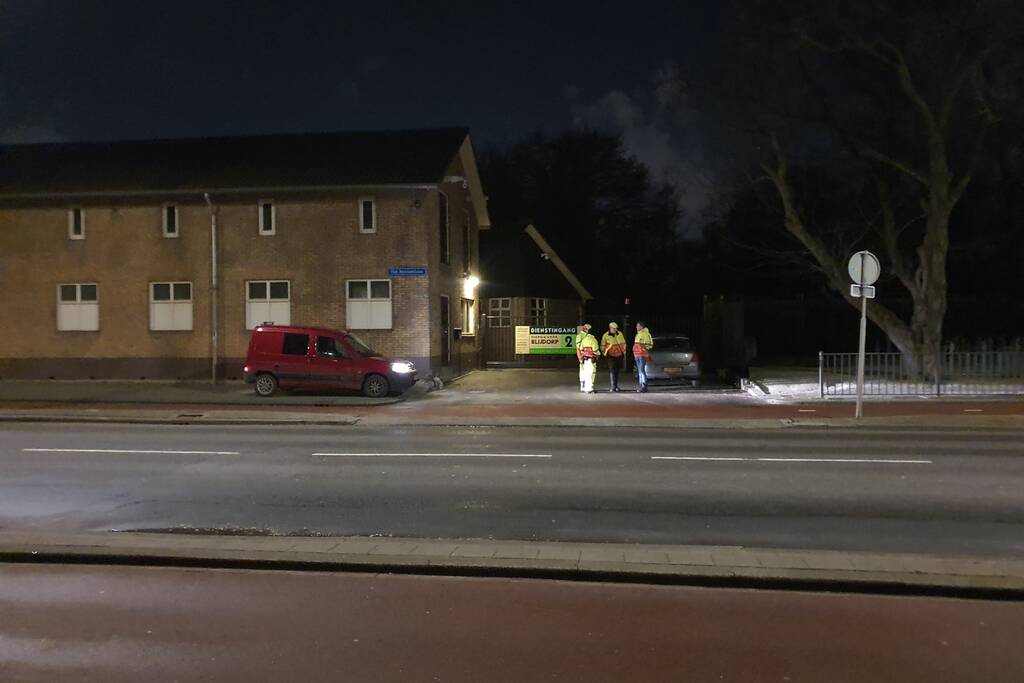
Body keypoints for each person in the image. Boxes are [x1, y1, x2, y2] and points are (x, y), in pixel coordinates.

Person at [600, 321, 627, 392]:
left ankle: (616, 386)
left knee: (617, 371)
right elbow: (602, 345)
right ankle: (613, 386)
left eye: (616, 328)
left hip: (619, 355)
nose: (615, 330)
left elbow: (623, 343)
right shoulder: (605, 335)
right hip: (610, 355)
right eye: (614, 328)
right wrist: (604, 352)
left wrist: (624, 353)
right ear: (610, 328)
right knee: (612, 370)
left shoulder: (620, 334)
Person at [575, 323, 600, 394]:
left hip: (582, 356)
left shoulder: (579, 336)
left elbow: (579, 348)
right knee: (591, 372)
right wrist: (598, 354)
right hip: (590, 357)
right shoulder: (591, 338)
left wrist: (580, 357)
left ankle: (583, 386)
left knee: (583, 371)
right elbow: (595, 349)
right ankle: (589, 388)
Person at [633, 321, 654, 393]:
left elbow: (650, 344)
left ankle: (644, 386)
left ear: (641, 326)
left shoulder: (646, 334)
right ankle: (641, 385)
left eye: (638, 326)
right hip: (637, 355)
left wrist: (644, 348)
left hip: (642, 355)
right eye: (636, 326)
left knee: (642, 370)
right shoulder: (637, 334)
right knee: (639, 370)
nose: (636, 327)